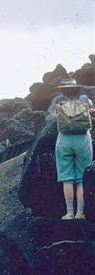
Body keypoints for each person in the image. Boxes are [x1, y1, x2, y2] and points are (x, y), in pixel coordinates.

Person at [50, 77, 93, 220]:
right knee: (81, 178)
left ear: (62, 90)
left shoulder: (57, 101)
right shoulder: (84, 99)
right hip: (82, 139)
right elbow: (92, 111)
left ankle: (69, 212)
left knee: (66, 178)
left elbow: (52, 117)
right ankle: (80, 213)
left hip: (64, 139)